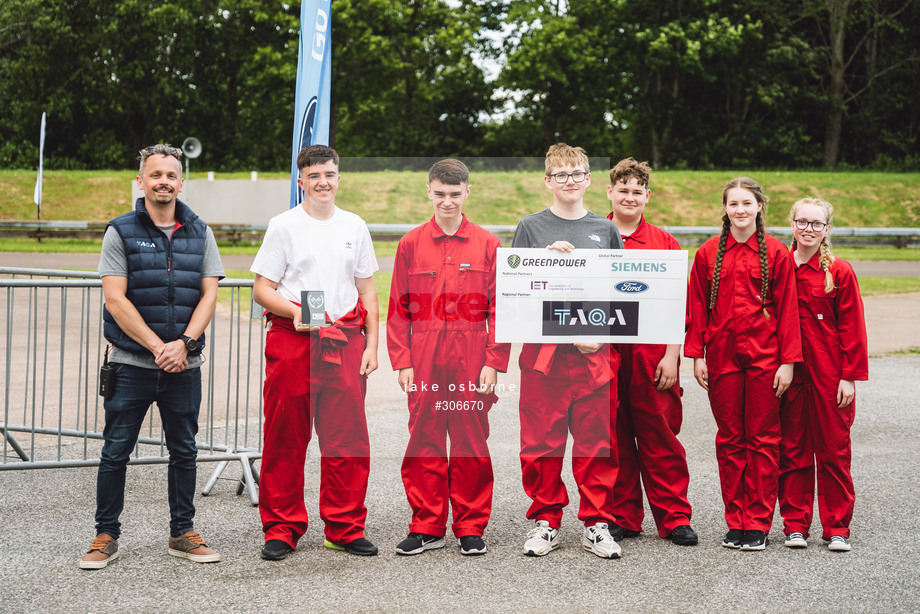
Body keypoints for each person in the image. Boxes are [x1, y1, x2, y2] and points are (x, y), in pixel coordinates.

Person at [80, 143, 224, 569]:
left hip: (185, 365)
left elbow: (209, 294)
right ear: (141, 181)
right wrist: (160, 348)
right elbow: (115, 299)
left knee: (185, 451)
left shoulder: (201, 230)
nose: (164, 182)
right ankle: (106, 534)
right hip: (131, 364)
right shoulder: (120, 230)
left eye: (171, 175)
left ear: (182, 182)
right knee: (115, 452)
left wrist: (184, 344)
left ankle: (182, 532)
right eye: (155, 175)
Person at [251, 144, 380, 560]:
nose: (323, 181)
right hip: (293, 339)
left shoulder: (355, 225)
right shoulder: (284, 225)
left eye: (329, 173)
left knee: (347, 439)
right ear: (301, 181)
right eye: (314, 175)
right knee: (286, 437)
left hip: (343, 339)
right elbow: (261, 289)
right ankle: (282, 527)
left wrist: (372, 345)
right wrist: (296, 311)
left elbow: (367, 290)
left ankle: (343, 526)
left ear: (338, 177)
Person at [387, 159, 511, 556]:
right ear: (429, 192)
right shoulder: (410, 243)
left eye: (455, 194)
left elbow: (501, 310)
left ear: (467, 193)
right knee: (424, 437)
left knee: (469, 439)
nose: (447, 201)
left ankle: (470, 525)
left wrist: (493, 362)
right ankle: (427, 524)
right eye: (440, 194)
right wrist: (403, 361)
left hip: (472, 354)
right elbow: (397, 309)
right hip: (424, 353)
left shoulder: (488, 244)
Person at [513, 143, 625, 559]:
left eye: (577, 173)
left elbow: (620, 293)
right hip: (545, 356)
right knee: (541, 441)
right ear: (548, 180)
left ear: (589, 179)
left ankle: (596, 522)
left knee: (596, 442)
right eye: (561, 175)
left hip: (592, 352)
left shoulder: (605, 229)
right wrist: (541, 263)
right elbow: (515, 291)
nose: (570, 181)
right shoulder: (530, 227)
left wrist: (600, 333)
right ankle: (547, 520)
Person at [685, 177, 802, 551]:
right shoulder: (707, 254)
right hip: (722, 358)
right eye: (733, 203)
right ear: (725, 208)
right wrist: (697, 355)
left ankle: (758, 522)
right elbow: (697, 309)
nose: (740, 210)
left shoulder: (776, 252)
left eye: (747, 203)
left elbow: (788, 312)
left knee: (764, 439)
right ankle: (735, 519)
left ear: (759, 207)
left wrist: (788, 362)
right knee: (730, 440)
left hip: (766, 359)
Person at [604, 158, 697, 546]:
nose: (629, 197)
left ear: (647, 196)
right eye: (622, 190)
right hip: (605, 352)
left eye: (636, 191)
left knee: (660, 436)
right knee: (614, 437)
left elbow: (679, 305)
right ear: (609, 192)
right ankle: (623, 516)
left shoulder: (664, 242)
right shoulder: (592, 235)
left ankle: (674, 516)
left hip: (651, 354)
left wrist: (672, 356)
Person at [778, 198, 868, 552]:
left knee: (833, 451)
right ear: (792, 224)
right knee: (793, 449)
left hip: (830, 373)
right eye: (802, 222)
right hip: (790, 374)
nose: (808, 230)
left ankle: (837, 527)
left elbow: (853, 329)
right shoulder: (780, 266)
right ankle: (796, 524)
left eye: (816, 224)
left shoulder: (839, 271)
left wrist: (849, 377)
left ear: (827, 229)